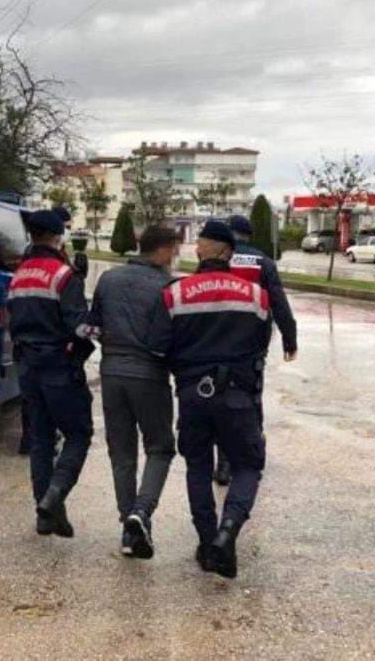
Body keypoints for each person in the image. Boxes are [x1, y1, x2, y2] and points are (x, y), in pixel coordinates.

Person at [147, 220, 274, 578]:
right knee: (248, 466)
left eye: (199, 243)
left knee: (198, 467)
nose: (196, 248)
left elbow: (158, 348)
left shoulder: (175, 294)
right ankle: (228, 531)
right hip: (238, 396)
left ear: (204, 250)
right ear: (230, 253)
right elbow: (260, 346)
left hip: (193, 395)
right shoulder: (255, 295)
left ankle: (207, 543)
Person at [88, 226, 179, 559]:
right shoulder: (167, 286)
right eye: (174, 251)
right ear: (166, 249)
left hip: (111, 372)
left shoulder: (108, 279)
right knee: (161, 447)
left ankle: (129, 532)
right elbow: (171, 337)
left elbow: (93, 324)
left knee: (121, 453)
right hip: (150, 376)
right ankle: (141, 512)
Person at [8, 210, 94, 538]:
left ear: (32, 236)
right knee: (78, 434)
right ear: (58, 237)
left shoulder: (20, 274)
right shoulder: (63, 275)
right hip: (59, 364)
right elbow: (80, 326)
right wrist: (97, 333)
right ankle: (55, 495)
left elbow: (11, 318)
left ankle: (44, 516)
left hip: (27, 366)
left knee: (41, 439)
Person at [211, 215, 298, 486]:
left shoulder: (218, 257)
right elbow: (279, 303)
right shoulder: (264, 262)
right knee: (252, 392)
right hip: (253, 338)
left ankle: (223, 464)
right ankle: (251, 454)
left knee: (221, 395)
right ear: (249, 235)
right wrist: (289, 339)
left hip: (217, 336)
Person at [17, 204, 84, 456]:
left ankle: (36, 438)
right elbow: (74, 319)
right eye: (66, 228)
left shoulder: (24, 266)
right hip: (54, 351)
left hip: (27, 350)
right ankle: (54, 491)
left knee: (37, 419)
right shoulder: (55, 266)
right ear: (56, 231)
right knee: (76, 430)